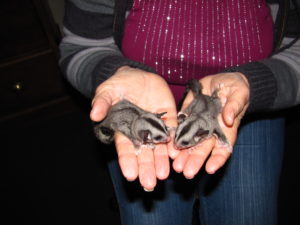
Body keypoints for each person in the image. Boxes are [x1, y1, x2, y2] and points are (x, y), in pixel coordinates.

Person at [59, 0, 300, 224]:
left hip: (250, 106)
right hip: (137, 99)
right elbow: (80, 46)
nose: (172, 140)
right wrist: (116, 73)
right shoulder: (143, 128)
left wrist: (256, 84)